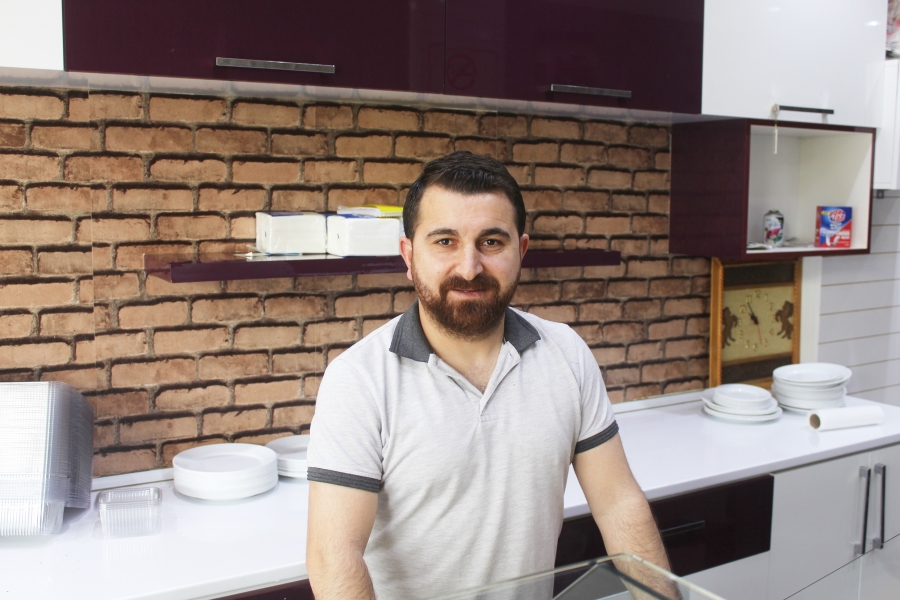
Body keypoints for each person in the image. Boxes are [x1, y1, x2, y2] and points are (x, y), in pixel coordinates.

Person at [305, 151, 670, 599]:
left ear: (522, 251)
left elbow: (618, 505)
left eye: (492, 242)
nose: (470, 267)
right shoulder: (358, 380)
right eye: (445, 241)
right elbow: (334, 556)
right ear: (409, 255)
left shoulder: (567, 354)